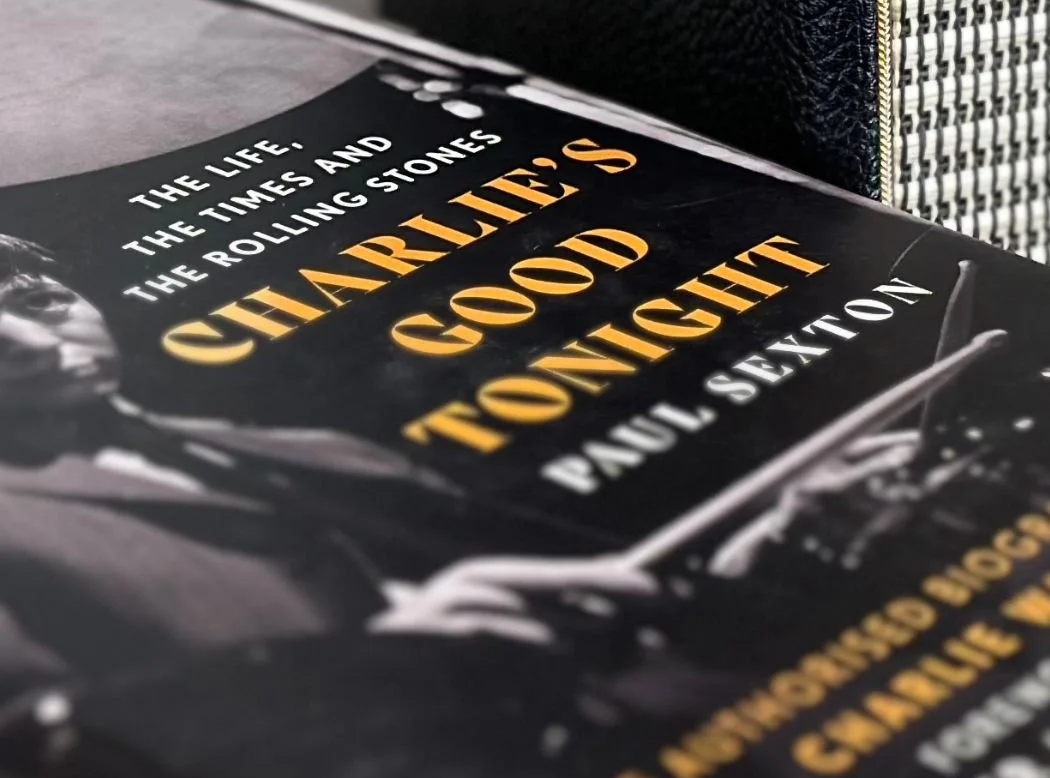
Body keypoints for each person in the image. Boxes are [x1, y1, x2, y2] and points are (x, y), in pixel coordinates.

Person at [0, 231, 601, 711]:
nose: (30, 340)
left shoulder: (322, 449)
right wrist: (384, 658)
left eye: (37, 301)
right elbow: (38, 740)